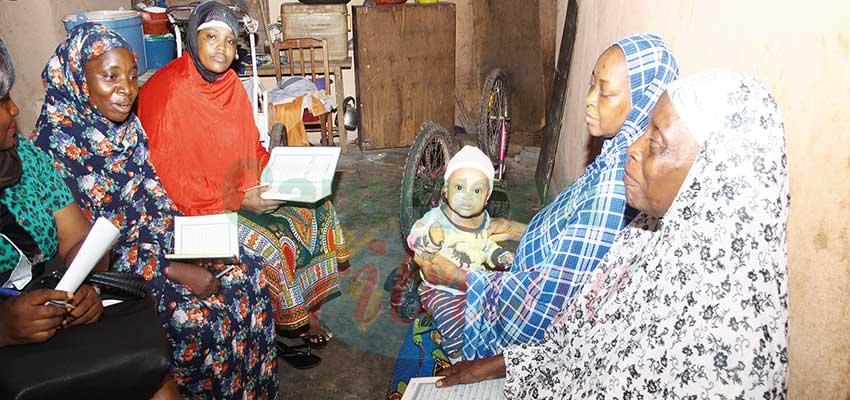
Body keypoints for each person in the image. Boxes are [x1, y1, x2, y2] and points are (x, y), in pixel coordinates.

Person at [438, 70, 789, 399]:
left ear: (714, 177)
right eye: (644, 130)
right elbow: (576, 340)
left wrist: (463, 280)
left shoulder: (724, 350)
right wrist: (502, 366)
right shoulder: (645, 236)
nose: (633, 147)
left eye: (656, 142)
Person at [34, 24, 279, 398]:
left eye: (132, 77)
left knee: (252, 274)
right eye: (110, 77)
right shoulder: (56, 149)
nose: (126, 90)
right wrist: (176, 269)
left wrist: (196, 243)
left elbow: (156, 198)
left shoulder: (127, 130)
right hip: (118, 272)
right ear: (78, 76)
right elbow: (90, 254)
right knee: (198, 320)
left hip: (158, 240)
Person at [417, 33, 679, 360]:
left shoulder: (618, 187)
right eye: (590, 84)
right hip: (527, 273)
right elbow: (574, 237)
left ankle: (461, 353)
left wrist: (457, 278)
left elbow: (549, 299)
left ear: (644, 100)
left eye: (606, 92)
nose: (589, 100)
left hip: (527, 319)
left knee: (436, 296)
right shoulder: (615, 157)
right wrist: (521, 230)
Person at [137, 0, 349, 349]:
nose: (222, 48)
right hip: (191, 213)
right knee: (272, 243)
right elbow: (172, 184)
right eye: (212, 37)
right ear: (193, 38)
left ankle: (302, 307)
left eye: (230, 41)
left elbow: (251, 146)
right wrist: (240, 199)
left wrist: (278, 172)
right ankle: (290, 319)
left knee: (317, 211)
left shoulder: (230, 84)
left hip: (235, 189)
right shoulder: (170, 93)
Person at [0, 35, 178, 400]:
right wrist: (2, 327)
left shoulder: (29, 161)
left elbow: (77, 240)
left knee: (155, 373)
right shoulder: (61, 142)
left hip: (52, 306)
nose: (15, 110)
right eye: (0, 102)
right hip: (14, 337)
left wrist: (84, 285)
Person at [407, 145, 514, 360]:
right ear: (446, 189)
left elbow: (485, 245)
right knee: (452, 321)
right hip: (440, 288)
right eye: (459, 187)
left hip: (473, 286)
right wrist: (430, 238)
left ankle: (485, 344)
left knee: (498, 313)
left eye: (477, 190)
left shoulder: (483, 221)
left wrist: (498, 255)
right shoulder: (436, 219)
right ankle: (456, 355)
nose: (468, 197)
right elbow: (413, 239)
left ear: (488, 196)